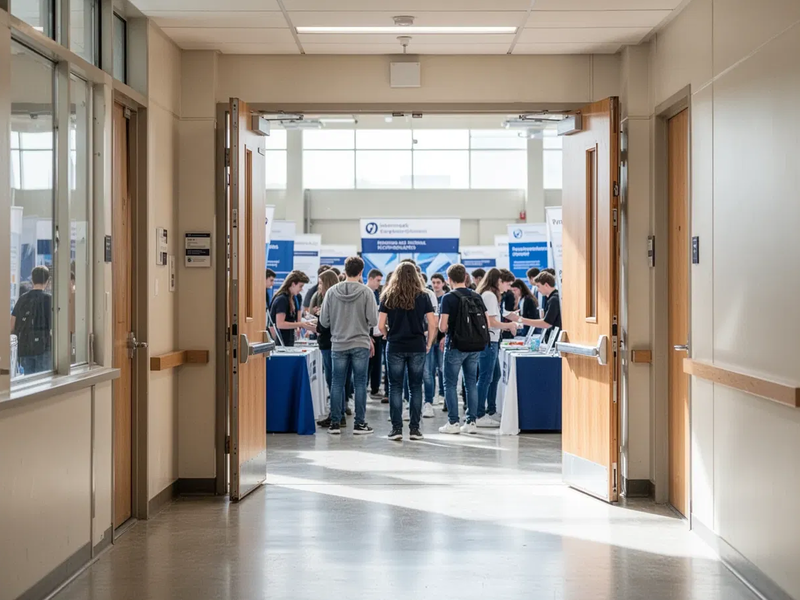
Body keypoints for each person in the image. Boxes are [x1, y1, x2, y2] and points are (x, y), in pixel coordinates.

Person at [319, 256, 378, 435]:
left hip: (338, 343)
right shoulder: (367, 292)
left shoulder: (331, 292)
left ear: (344, 271)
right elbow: (374, 320)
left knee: (337, 383)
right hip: (360, 342)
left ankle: (335, 423)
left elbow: (324, 321)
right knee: (360, 384)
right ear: (361, 272)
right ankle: (360, 424)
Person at [378, 263, 436, 441]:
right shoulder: (423, 296)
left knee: (395, 387)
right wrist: (428, 343)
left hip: (395, 345)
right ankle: (414, 429)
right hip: (417, 345)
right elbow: (432, 323)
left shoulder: (388, 295)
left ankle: (396, 429)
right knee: (415, 387)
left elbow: (380, 325)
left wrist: (388, 335)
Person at [437, 264, 489, 435]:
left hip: (455, 346)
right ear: (466, 277)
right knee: (470, 383)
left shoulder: (447, 298)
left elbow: (443, 326)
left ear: (449, 279)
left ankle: (453, 422)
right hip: (474, 346)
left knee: (450, 384)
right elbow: (486, 323)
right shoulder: (477, 296)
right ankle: (471, 422)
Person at [475, 268, 518, 427]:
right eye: (507, 284)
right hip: (489, 342)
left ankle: (490, 410)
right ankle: (479, 414)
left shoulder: (488, 295)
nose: (508, 288)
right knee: (486, 378)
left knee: (494, 376)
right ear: (499, 281)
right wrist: (510, 326)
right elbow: (491, 322)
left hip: (491, 342)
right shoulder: (490, 296)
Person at [313, 270, 346, 429]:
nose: (318, 286)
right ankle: (339, 414)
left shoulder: (329, 298)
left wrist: (318, 321)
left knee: (333, 381)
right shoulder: (336, 297)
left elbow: (325, 324)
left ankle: (336, 416)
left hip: (328, 343)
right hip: (334, 342)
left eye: (320, 282)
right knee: (337, 381)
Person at [11, 266, 53, 375]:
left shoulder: (22, 299)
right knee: (42, 381)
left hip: (25, 347)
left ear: (32, 280)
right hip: (44, 348)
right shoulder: (50, 299)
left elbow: (12, 324)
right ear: (47, 281)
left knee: (28, 383)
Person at [507, 271, 561, 342]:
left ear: (546, 285)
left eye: (538, 286)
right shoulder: (552, 298)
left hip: (555, 340)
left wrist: (520, 319)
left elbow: (546, 323)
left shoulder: (554, 299)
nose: (538, 290)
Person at [269, 270, 316, 347]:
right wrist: (301, 324)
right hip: (280, 343)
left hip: (288, 342)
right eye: (300, 286)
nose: (301, 289)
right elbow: (280, 324)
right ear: (293, 284)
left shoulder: (293, 298)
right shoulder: (282, 299)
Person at [366, 269, 385, 400]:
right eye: (377, 280)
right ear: (371, 279)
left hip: (378, 334)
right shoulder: (365, 293)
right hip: (367, 334)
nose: (379, 283)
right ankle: (364, 390)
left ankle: (375, 388)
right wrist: (368, 335)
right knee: (366, 365)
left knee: (377, 364)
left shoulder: (377, 294)